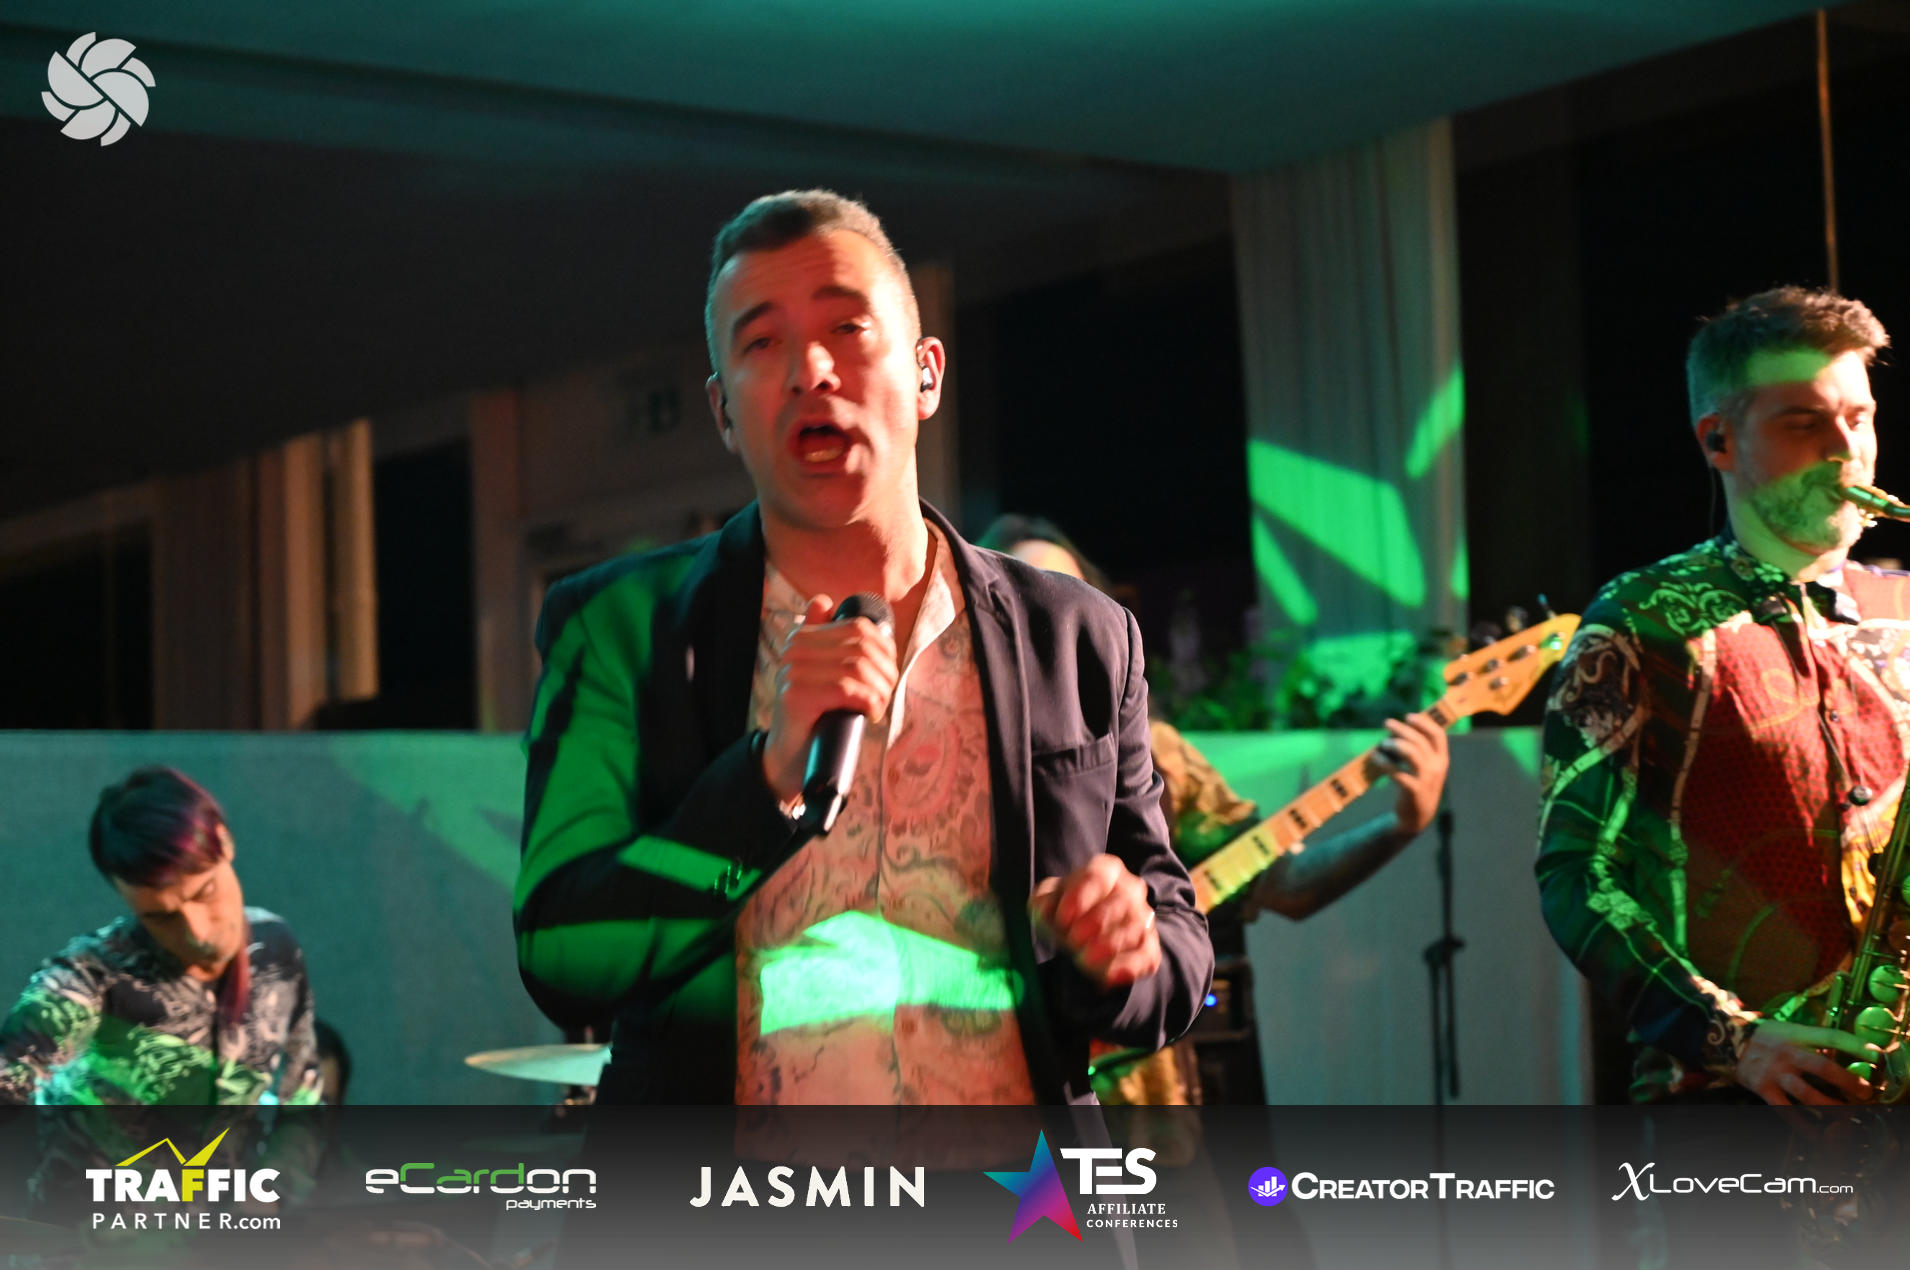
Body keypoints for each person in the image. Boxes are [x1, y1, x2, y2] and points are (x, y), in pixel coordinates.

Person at [514, 191, 1212, 1104]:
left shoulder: (1075, 634)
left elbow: (1179, 942)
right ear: (724, 413)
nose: (810, 369)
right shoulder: (620, 628)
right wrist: (764, 782)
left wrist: (1126, 950)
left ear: (926, 374)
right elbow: (561, 952)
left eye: (847, 328)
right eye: (763, 343)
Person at [1537, 286, 1900, 1105]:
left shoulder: (1905, 609)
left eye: (1859, 417)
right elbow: (1575, 873)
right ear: (1719, 441)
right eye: (1803, 423)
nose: (1846, 450)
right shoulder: (1640, 621)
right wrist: (1733, 1039)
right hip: (1731, 1106)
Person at [977, 514, 1450, 1103]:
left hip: (1146, 1105)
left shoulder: (1157, 752)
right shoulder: (939, 756)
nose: (1053, 621)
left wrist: (1401, 825)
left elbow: (1283, 881)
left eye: (1069, 598)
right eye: (1027, 600)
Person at [0, 766, 320, 1108]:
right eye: (161, 918)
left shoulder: (275, 944)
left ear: (225, 841)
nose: (196, 932)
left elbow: (301, 1094)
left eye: (204, 892)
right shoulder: (91, 976)